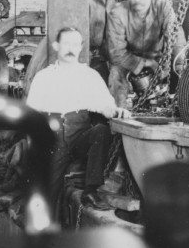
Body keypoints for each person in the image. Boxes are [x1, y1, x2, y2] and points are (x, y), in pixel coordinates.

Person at [25, 26, 128, 215]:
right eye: (66, 44)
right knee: (49, 193)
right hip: (52, 136)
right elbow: (31, 114)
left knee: (100, 131)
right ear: (56, 46)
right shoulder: (44, 77)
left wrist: (117, 111)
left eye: (75, 44)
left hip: (80, 134)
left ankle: (90, 191)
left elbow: (105, 105)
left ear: (81, 47)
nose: (71, 48)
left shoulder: (89, 76)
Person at [106, 0, 185, 105]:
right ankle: (118, 113)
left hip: (158, 59)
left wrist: (177, 65)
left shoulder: (163, 6)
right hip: (128, 60)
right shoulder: (117, 13)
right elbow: (116, 53)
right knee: (115, 74)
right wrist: (146, 63)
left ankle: (177, 106)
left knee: (180, 71)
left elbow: (175, 36)